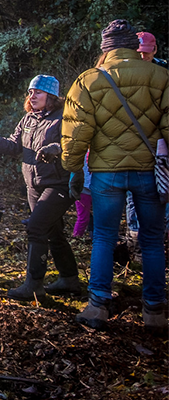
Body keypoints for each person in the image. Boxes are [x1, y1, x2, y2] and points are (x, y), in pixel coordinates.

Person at [62, 20, 169, 330]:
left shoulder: (89, 80)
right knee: (151, 241)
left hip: (106, 173)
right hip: (148, 171)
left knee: (105, 238)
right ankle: (154, 311)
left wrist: (72, 170)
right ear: (134, 47)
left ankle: (97, 306)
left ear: (105, 48)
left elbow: (77, 132)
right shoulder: (161, 76)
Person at [0, 74, 81, 300]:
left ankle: (34, 285)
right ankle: (70, 279)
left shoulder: (63, 118)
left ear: (52, 96)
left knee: (36, 228)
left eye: (38, 92)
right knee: (53, 233)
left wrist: (56, 148)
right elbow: (14, 147)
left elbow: (74, 144)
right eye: (30, 92)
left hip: (58, 184)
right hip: (33, 185)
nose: (32, 96)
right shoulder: (28, 120)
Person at [73, 158, 92, 237]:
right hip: (83, 189)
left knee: (100, 217)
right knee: (83, 218)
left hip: (98, 188)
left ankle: (94, 236)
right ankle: (76, 237)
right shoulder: (79, 152)